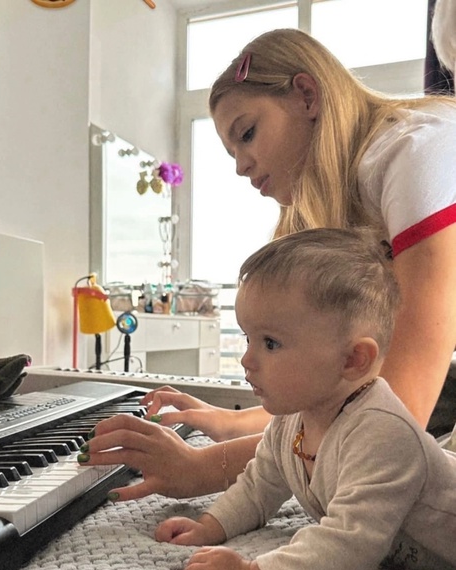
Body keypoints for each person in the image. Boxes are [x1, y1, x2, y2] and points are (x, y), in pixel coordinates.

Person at [78, 28, 456, 502]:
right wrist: (231, 422)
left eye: (247, 134)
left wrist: (207, 468)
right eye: (232, 152)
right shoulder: (359, 191)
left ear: (306, 95)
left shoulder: (415, 152)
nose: (240, 166)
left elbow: (392, 421)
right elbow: (342, 392)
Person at [154, 228, 456, 570]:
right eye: (248, 339)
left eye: (270, 343)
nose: (247, 359)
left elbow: (349, 546)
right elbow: (258, 487)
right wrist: (210, 525)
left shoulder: (384, 434)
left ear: (352, 359)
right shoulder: (291, 421)